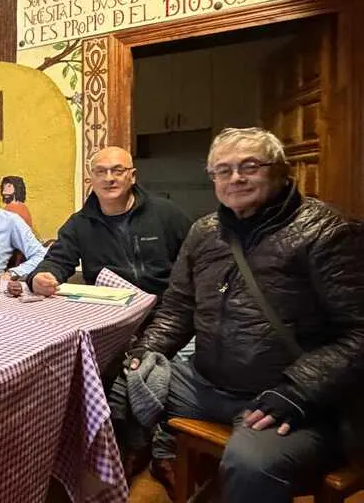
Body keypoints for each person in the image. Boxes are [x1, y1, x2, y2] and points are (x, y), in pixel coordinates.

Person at [126, 127, 364, 502]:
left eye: (249, 166)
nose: (235, 178)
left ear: (282, 171)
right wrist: (145, 352)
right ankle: (158, 464)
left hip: (287, 395)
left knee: (250, 464)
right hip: (204, 385)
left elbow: (358, 332)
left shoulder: (328, 232)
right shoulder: (204, 232)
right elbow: (178, 307)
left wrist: (298, 391)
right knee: (115, 395)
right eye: (223, 170)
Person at [16, 146, 191, 298]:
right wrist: (40, 277)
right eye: (100, 171)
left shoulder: (165, 213)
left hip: (162, 309)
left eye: (117, 170)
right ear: (91, 178)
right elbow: (56, 261)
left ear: (132, 176)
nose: (109, 178)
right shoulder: (80, 224)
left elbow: (195, 260)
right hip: (110, 311)